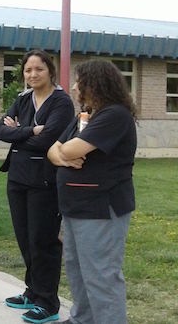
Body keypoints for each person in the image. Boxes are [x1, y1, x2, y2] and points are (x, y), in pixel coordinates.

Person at [47, 60, 137, 324]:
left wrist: (64, 152)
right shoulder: (85, 116)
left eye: (78, 82)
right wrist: (62, 156)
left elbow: (70, 149)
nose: (74, 87)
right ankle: (82, 319)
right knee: (77, 270)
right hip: (75, 206)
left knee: (101, 274)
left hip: (101, 207)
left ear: (95, 84)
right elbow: (54, 150)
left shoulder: (115, 115)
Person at [0, 50, 74, 324]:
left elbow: (49, 140)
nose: (32, 75)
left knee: (43, 241)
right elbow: (1, 132)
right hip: (17, 178)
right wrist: (31, 130)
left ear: (49, 71)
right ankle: (32, 291)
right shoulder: (22, 99)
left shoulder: (61, 103)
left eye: (38, 69)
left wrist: (19, 132)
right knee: (25, 238)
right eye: (28, 70)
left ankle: (48, 302)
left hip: (44, 180)